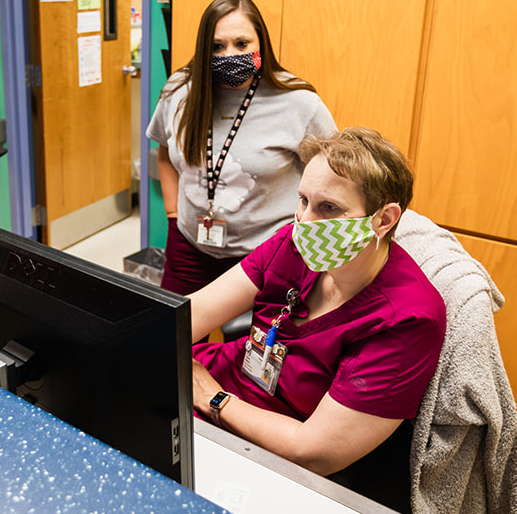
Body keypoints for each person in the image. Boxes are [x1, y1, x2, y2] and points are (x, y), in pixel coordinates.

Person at [189, 127, 446, 507]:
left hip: (264, 444)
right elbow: (189, 314)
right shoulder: (290, 245)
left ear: (384, 219)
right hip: (214, 381)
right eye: (303, 200)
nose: (304, 222)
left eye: (328, 208)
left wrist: (211, 397)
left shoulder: (408, 318)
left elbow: (314, 451)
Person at [146, 0, 336, 295]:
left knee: (258, 342)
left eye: (242, 44)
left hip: (268, 251)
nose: (229, 54)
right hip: (190, 246)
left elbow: (331, 177)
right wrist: (172, 215)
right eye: (217, 46)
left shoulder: (299, 103)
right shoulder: (180, 89)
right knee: (176, 337)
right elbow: (166, 152)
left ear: (261, 44)